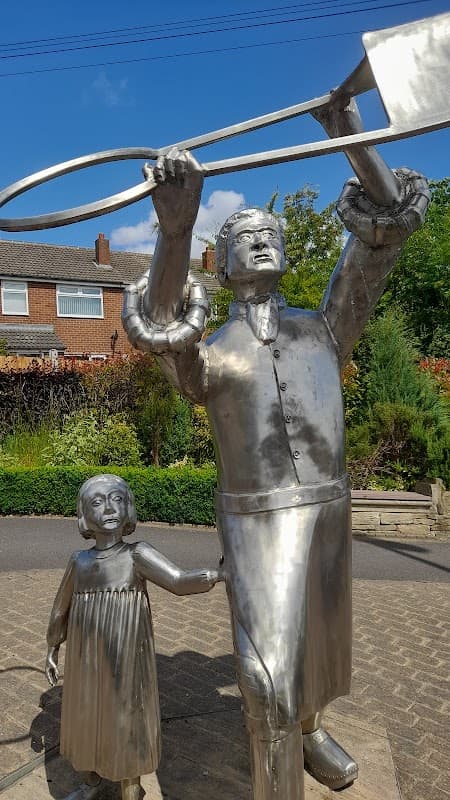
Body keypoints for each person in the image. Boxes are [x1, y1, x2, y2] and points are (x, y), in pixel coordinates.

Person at [122, 101, 429, 800]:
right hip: (257, 520)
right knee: (263, 676)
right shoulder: (213, 352)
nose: (261, 241)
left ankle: (312, 726)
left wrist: (347, 130)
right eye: (245, 236)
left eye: (271, 233)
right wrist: (175, 233)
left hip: (329, 507)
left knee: (317, 650)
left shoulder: (325, 326)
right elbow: (166, 327)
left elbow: (379, 239)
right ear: (222, 262)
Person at [45, 474, 220, 800]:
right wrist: (53, 646)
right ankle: (90, 782)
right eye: (97, 502)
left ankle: (131, 788)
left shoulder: (137, 555)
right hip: (86, 661)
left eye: (117, 499)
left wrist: (218, 574)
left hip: (127, 658)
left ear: (128, 509)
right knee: (86, 714)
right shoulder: (79, 561)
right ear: (83, 515)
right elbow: (60, 609)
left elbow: (179, 581)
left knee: (126, 717)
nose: (109, 508)